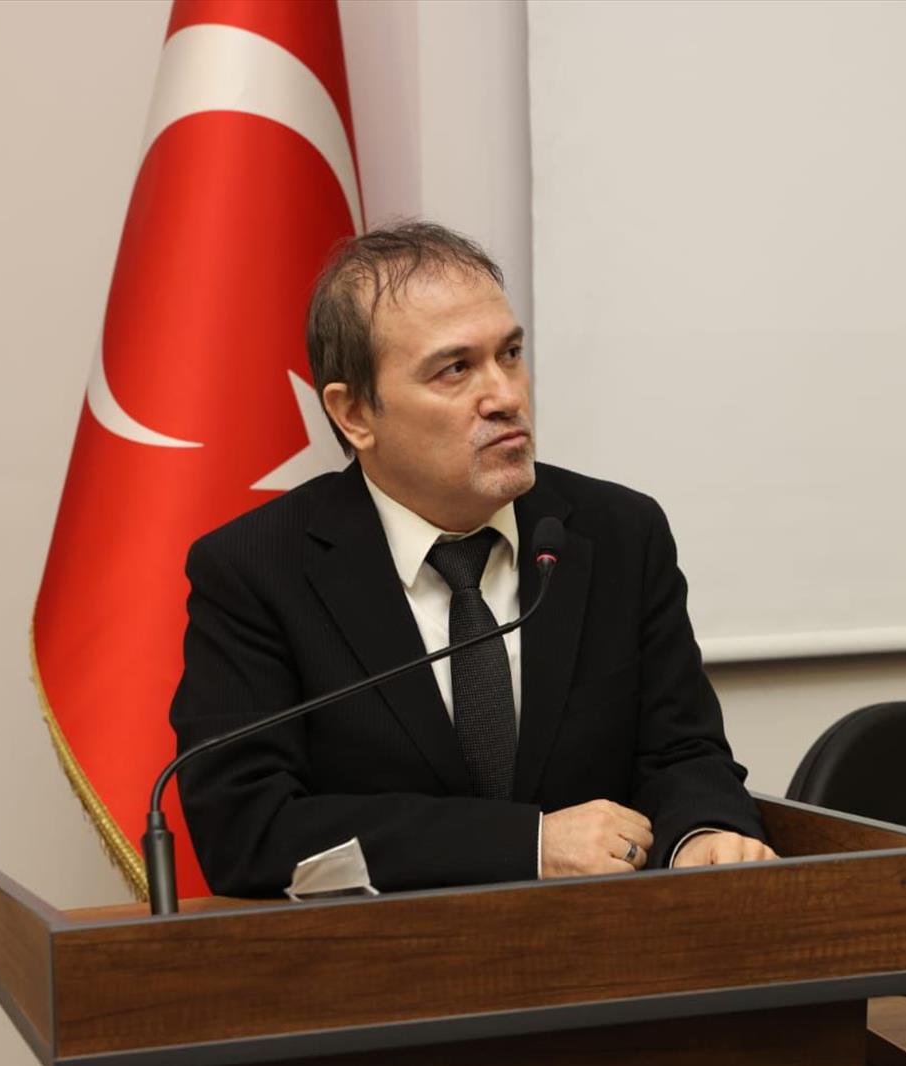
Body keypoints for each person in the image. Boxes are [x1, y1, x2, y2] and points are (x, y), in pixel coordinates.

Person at [170, 221, 774, 895]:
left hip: (604, 950)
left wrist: (703, 833)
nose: (506, 396)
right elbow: (249, 830)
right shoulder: (257, 570)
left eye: (509, 354)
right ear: (354, 414)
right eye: (455, 369)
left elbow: (681, 752)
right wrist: (527, 845)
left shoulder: (619, 534)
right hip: (385, 958)